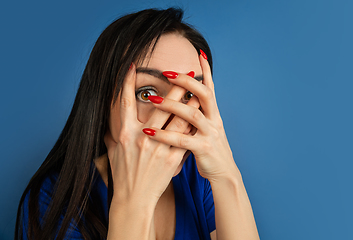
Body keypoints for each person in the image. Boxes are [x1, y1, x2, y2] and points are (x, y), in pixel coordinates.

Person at [15, 7, 260, 240]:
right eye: (146, 93)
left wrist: (227, 175)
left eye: (188, 95)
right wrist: (135, 201)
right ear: (101, 102)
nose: (176, 119)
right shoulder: (53, 199)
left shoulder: (199, 178)